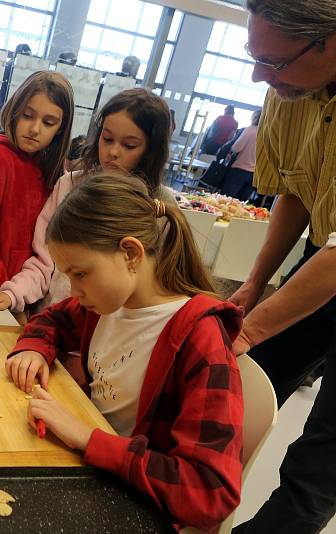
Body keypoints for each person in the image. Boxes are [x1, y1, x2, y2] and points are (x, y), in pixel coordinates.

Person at [7, 174, 243, 531]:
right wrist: (34, 348)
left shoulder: (200, 339)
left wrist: (89, 439)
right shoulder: (110, 302)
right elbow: (51, 319)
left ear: (130, 253)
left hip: (128, 503)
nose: (74, 290)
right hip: (87, 465)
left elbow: (210, 491)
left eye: (81, 274)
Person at [227, 1, 336, 532]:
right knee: (239, 388)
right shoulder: (287, 93)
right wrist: (255, 284)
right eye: (254, 55)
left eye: (274, 62)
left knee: (320, 459)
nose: (259, 75)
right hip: (325, 254)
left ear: (330, 40)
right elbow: (295, 189)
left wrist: (251, 327)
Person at [0, 88, 176, 313]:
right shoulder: (69, 184)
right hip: (51, 318)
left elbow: (153, 292)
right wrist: (13, 293)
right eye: (107, 138)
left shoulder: (159, 205)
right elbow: (44, 260)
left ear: (151, 150)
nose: (113, 151)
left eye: (129, 145)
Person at [0, 70, 74, 294]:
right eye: (27, 115)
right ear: (15, 111)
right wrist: (6, 291)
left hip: (28, 290)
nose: (35, 129)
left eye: (48, 122)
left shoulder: (51, 169)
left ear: (60, 128)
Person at [220, 108, 261, 201]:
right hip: (254, 176)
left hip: (239, 171)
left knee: (226, 200)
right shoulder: (268, 134)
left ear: (254, 117)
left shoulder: (250, 130)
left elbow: (236, 148)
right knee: (241, 204)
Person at [0, 43, 32, 113]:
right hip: (7, 102)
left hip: (9, 102)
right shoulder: (10, 66)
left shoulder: (27, 68)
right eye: (25, 55)